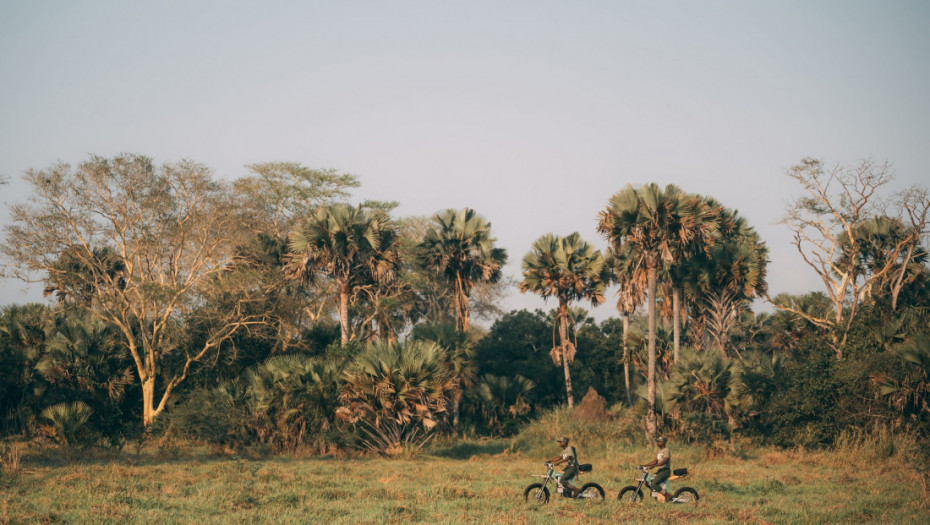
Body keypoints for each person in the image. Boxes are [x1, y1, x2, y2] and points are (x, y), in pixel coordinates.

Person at [641, 436, 672, 502]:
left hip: (665, 471)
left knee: (653, 484)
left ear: (663, 442)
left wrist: (655, 466)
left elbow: (665, 460)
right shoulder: (660, 451)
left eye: (659, 441)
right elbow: (656, 460)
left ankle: (667, 495)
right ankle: (655, 496)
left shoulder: (666, 450)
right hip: (660, 471)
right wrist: (645, 465)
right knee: (648, 480)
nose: (657, 443)